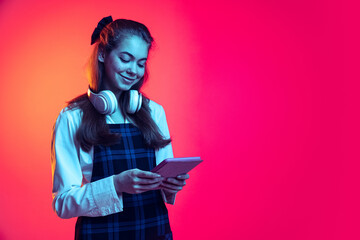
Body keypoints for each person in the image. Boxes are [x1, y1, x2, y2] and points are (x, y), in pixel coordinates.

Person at [51, 16, 189, 240]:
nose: (134, 70)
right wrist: (116, 184)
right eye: (126, 59)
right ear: (103, 54)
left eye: (141, 63)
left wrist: (171, 185)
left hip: (155, 231)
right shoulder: (72, 118)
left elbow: (164, 189)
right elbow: (63, 204)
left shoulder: (154, 112)